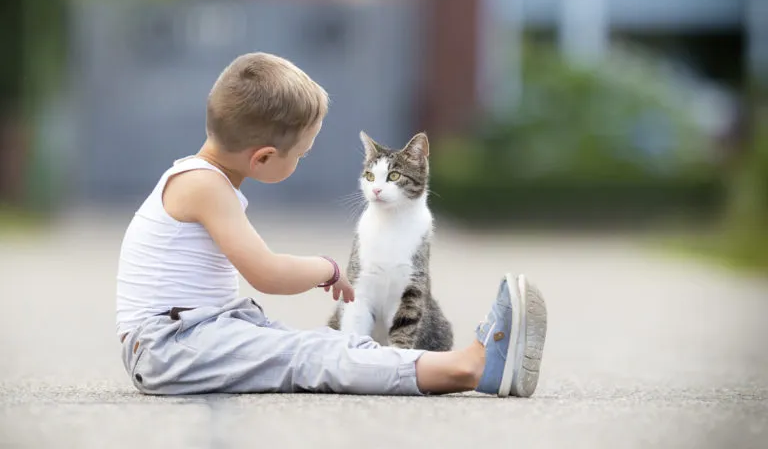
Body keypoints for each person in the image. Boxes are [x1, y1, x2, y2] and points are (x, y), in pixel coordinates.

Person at [115, 52, 548, 397]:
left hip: (188, 337)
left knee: (317, 348)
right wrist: (328, 268)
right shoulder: (204, 187)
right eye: (299, 155)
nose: (301, 161)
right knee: (314, 354)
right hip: (168, 347)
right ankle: (471, 367)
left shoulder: (202, 181)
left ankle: (436, 364)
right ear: (263, 157)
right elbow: (266, 273)